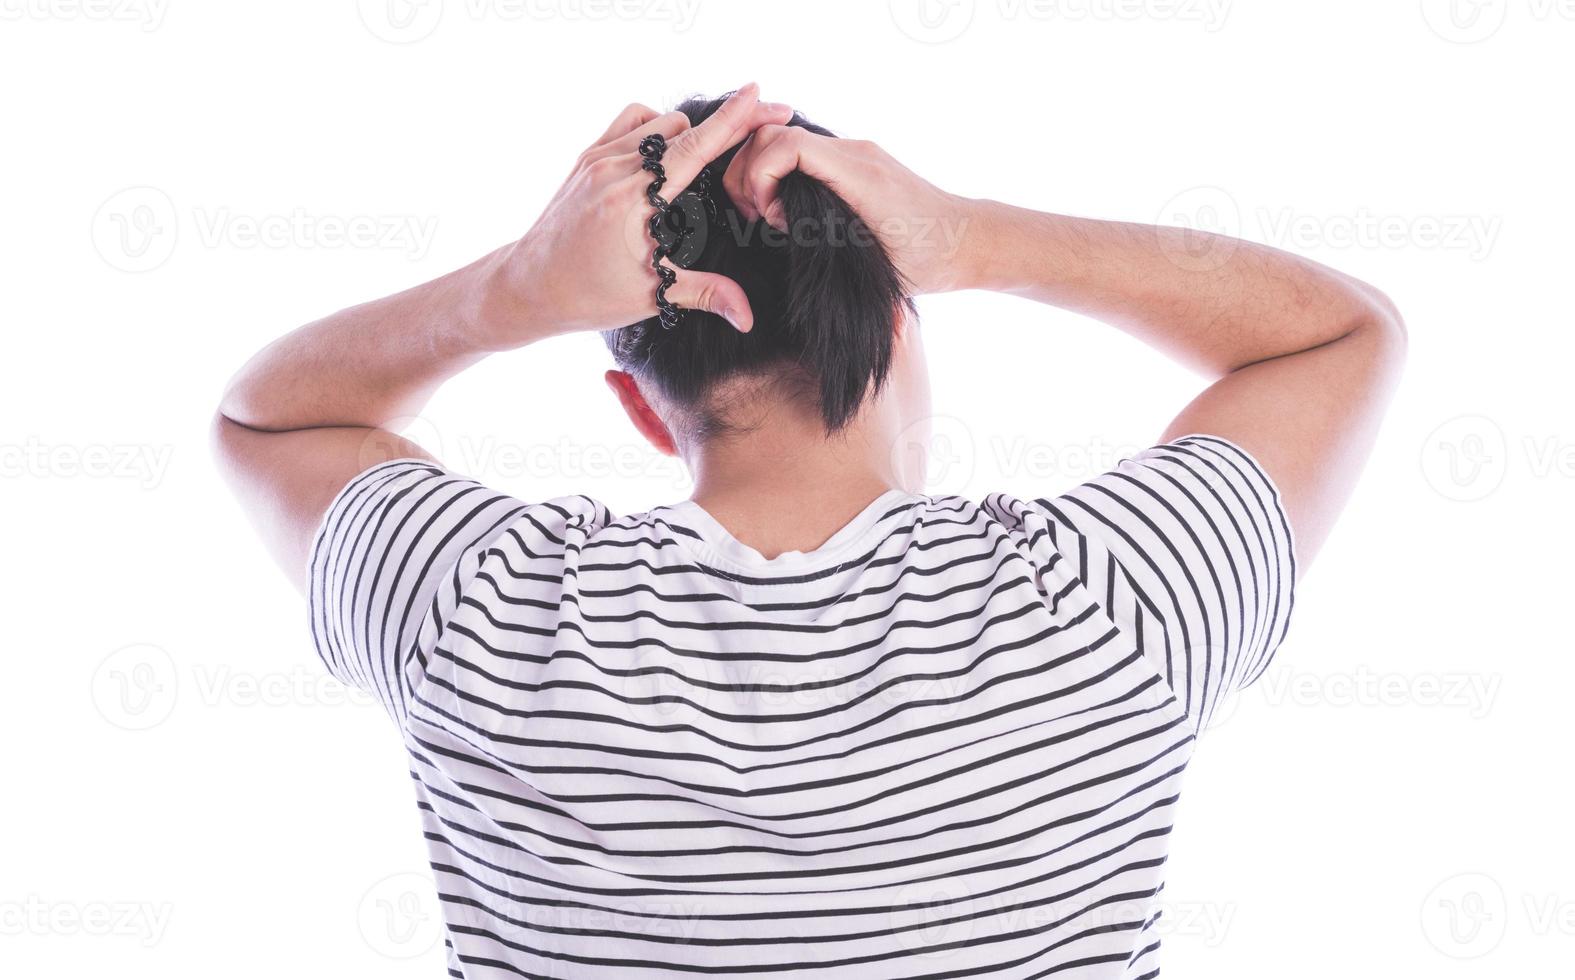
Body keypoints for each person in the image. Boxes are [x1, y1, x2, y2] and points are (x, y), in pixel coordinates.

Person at [213, 84, 1404, 978]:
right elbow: (1342, 334)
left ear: (637, 403)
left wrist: (513, 292)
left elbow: (267, 417)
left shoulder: (478, 607)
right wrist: (982, 238)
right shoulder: (1109, 600)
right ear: (896, 324)